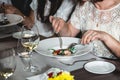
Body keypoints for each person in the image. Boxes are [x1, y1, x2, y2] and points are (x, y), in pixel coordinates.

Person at [49, 0, 120, 58]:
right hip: (86, 64)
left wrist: (106, 37)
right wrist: (62, 27)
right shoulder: (84, 4)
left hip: (114, 70)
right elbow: (70, 33)